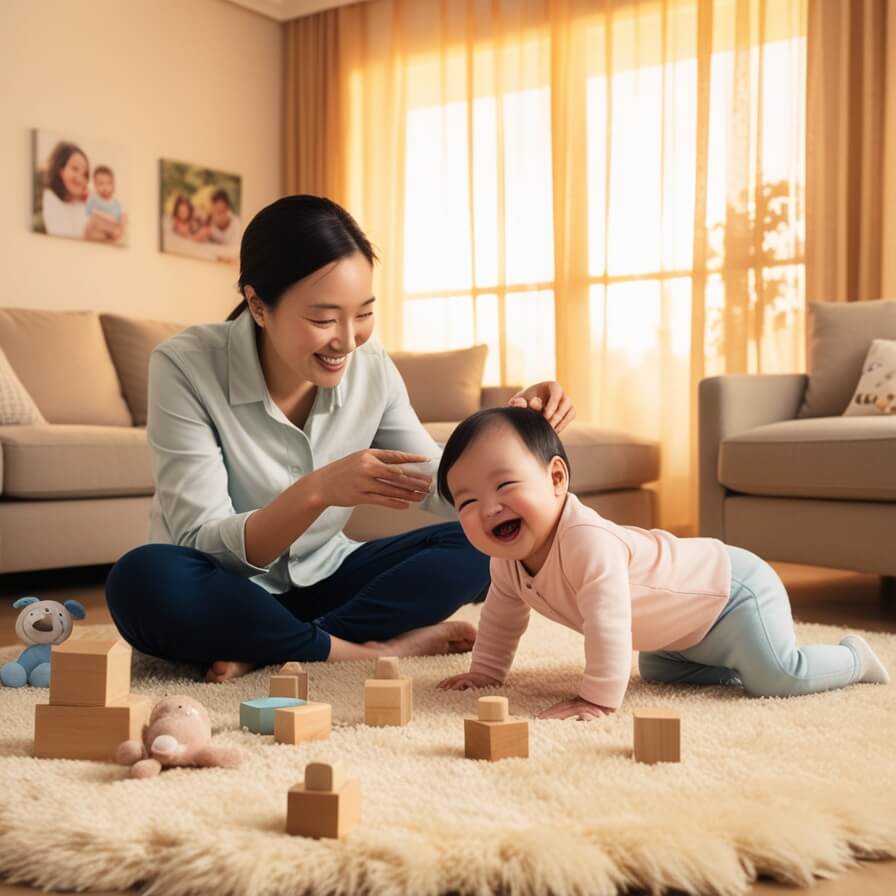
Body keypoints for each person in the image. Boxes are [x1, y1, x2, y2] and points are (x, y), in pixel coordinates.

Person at [105, 195, 575, 683]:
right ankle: (362, 652)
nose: (348, 340)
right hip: (223, 587)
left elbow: (443, 487)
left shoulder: (370, 368)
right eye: (324, 319)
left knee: (480, 538)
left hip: (328, 579)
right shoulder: (184, 366)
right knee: (141, 580)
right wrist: (316, 492)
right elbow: (201, 542)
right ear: (258, 304)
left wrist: (515, 431)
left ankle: (286, 646)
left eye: (364, 314)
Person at [436, 406, 890, 719]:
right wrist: (486, 673)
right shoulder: (507, 563)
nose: (489, 508)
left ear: (557, 479)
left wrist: (597, 699)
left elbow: (609, 625)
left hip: (733, 591)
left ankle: (853, 658)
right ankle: (733, 656)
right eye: (468, 500)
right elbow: (501, 616)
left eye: (505, 485)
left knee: (776, 676)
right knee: (659, 669)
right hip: (680, 632)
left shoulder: (586, 542)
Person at [40, 141, 121, 242]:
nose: (80, 178)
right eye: (75, 169)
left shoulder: (87, 203)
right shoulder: (49, 197)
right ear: (61, 170)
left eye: (85, 174)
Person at [207, 188, 241, 259]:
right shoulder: (208, 221)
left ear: (227, 208)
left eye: (222, 211)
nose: (220, 216)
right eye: (217, 211)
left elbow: (236, 251)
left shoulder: (236, 224)